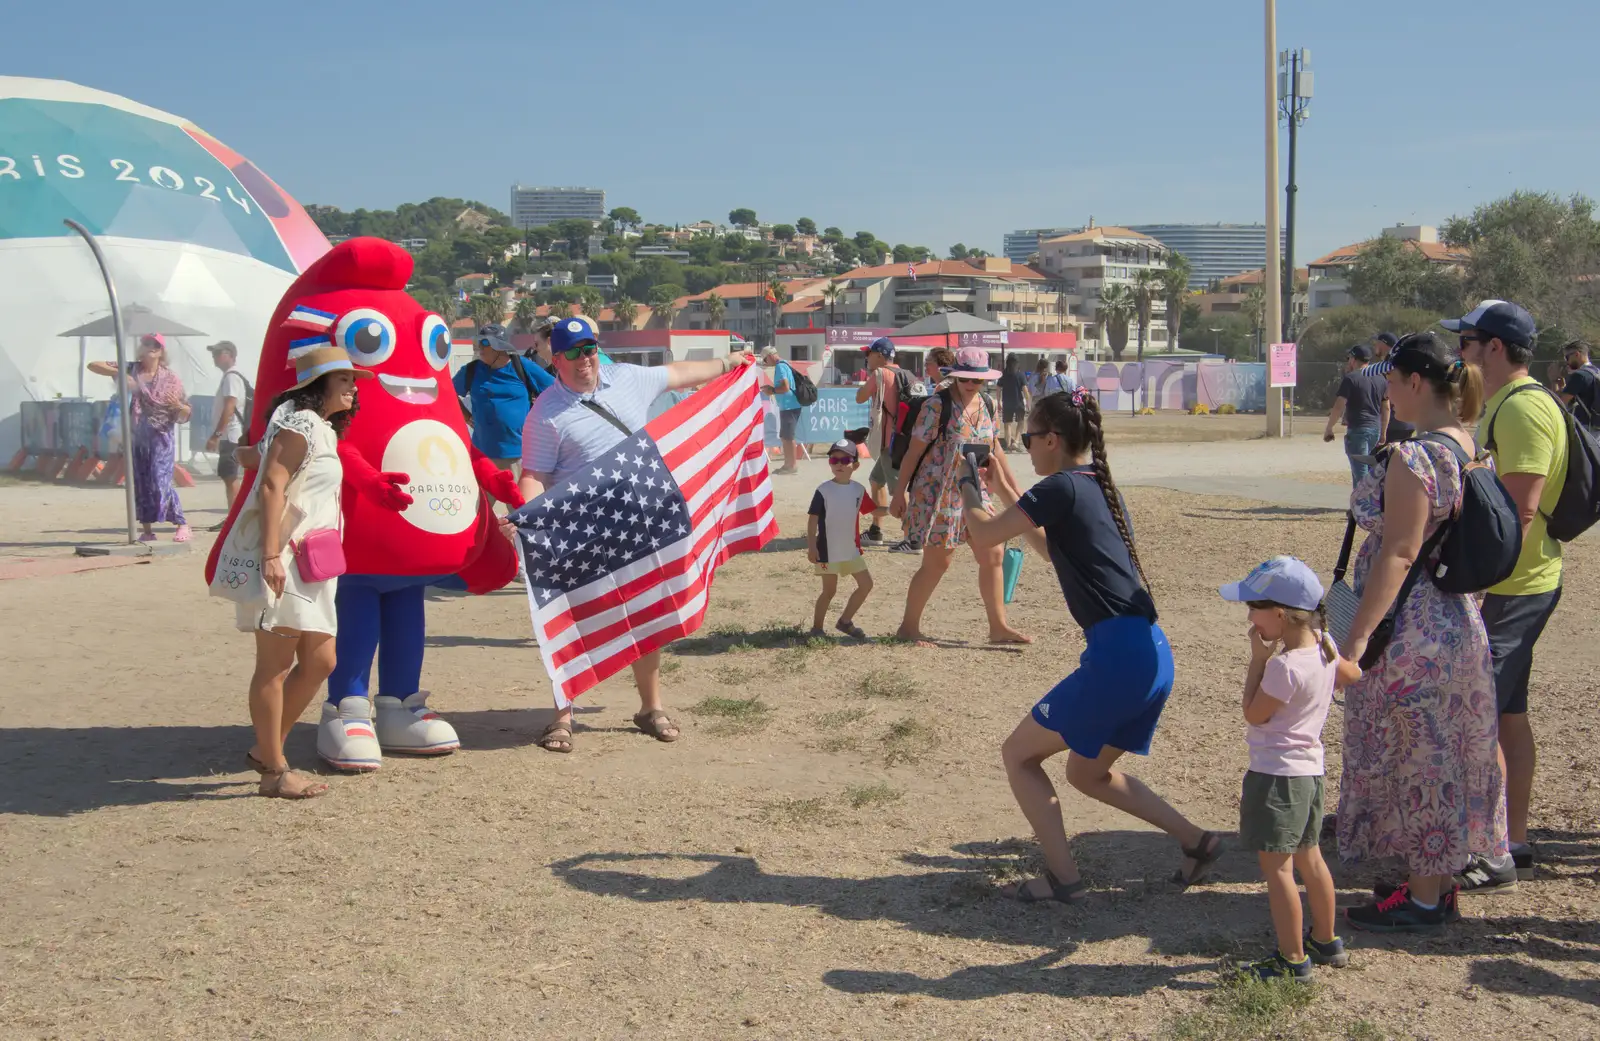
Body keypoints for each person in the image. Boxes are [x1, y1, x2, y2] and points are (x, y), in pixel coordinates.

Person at [956, 386, 1223, 902]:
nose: (1026, 446)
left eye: (1030, 437)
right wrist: (1009, 493)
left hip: (1119, 656)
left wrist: (968, 485)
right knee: (1086, 772)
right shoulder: (1093, 484)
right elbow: (1055, 553)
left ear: (1052, 440)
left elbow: (983, 537)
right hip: (1150, 650)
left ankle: (1063, 879)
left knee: (1018, 756)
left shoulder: (1059, 490)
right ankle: (1197, 841)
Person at [518, 316, 756, 753]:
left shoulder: (625, 377)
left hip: (639, 519)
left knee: (647, 611)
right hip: (580, 526)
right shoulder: (546, 414)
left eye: (589, 347)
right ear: (556, 358)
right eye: (572, 351)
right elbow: (533, 473)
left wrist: (730, 362)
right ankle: (563, 716)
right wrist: (528, 515)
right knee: (572, 620)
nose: (584, 358)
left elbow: (681, 373)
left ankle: (650, 707)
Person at [1337, 331, 1505, 931]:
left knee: (1418, 758)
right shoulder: (1466, 445)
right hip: (1456, 623)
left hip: (1414, 631)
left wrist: (1356, 639)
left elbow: (1398, 554)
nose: (1383, 387)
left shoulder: (1414, 456)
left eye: (1390, 378)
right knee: (1441, 755)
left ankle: (1425, 902)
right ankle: (1433, 885)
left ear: (1414, 382)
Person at [1451, 300, 1567, 890]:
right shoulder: (1508, 402)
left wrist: (1477, 584)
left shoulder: (1523, 410)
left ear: (1494, 347)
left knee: (1482, 715)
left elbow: (1519, 510)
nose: (1459, 352)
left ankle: (1491, 849)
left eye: (1467, 341)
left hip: (1514, 586)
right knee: (1508, 714)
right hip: (1514, 584)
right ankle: (1512, 839)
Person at [229, 343, 366, 798]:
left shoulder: (313, 427)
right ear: (319, 383)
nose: (353, 385)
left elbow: (258, 460)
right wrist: (270, 554)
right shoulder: (302, 422)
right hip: (287, 559)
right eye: (344, 378)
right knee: (274, 666)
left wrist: (248, 451)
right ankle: (274, 770)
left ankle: (264, 750)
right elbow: (272, 482)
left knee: (321, 661)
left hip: (313, 564)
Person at [1218, 557, 1345, 981]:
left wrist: (1258, 660)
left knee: (1279, 871)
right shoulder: (1325, 646)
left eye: (1253, 608)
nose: (1250, 619)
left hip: (1276, 778)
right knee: (1311, 860)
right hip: (1310, 775)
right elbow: (1350, 673)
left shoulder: (1283, 667)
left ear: (1280, 614)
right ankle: (1326, 941)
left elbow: (1254, 714)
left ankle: (1292, 960)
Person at [889, 346, 1030, 646]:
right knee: (938, 563)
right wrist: (899, 493)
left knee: (993, 553)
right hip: (940, 493)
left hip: (976, 490)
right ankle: (908, 627)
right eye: (965, 378)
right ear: (955, 375)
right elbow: (914, 452)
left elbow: (996, 448)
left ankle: (998, 627)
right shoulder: (936, 405)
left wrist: (1013, 487)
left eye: (977, 380)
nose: (970, 384)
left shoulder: (988, 404)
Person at [88, 333, 192, 543]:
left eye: (156, 345)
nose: (151, 347)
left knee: (159, 480)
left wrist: (179, 406)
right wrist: (119, 373)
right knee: (141, 481)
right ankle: (147, 530)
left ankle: (182, 524)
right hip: (138, 434)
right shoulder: (131, 368)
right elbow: (93, 365)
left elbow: (186, 411)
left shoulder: (171, 378)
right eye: (147, 344)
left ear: (162, 351)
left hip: (161, 435)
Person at [453, 323, 552, 469]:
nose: (480, 346)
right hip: (481, 456)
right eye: (479, 341)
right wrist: (467, 417)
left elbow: (557, 392)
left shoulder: (523, 367)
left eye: (485, 342)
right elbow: (449, 392)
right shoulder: (471, 370)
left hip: (520, 456)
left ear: (500, 347)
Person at [807, 438, 876, 638]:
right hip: (827, 551)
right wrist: (812, 546)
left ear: (855, 465)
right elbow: (812, 520)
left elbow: (873, 510)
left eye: (844, 460)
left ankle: (845, 621)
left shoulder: (858, 490)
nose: (838, 464)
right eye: (833, 459)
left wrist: (899, 510)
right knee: (829, 592)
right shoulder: (823, 490)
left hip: (850, 550)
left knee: (866, 585)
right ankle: (817, 629)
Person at [854, 337, 908, 545]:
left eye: (868, 354)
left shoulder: (879, 374)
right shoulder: (906, 374)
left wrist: (870, 380)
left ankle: (911, 538)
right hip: (902, 441)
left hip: (890, 443)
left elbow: (860, 397)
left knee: (898, 490)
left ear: (879, 356)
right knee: (876, 481)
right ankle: (876, 530)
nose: (866, 358)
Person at [1322, 345, 1389, 486]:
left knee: (1361, 471)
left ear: (1353, 359)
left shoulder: (1351, 378)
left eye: (1349, 359)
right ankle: (1357, 505)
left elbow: (1339, 406)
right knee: (1361, 467)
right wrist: (1383, 432)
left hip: (1359, 429)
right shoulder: (1381, 379)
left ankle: (1364, 505)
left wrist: (1329, 428)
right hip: (1374, 430)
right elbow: (1386, 408)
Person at [204, 340, 250, 513]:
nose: (214, 357)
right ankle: (233, 514)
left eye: (218, 353)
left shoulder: (232, 377)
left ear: (230, 355)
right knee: (228, 476)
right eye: (214, 354)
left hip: (230, 435)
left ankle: (234, 515)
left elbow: (230, 407)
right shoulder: (230, 376)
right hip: (231, 434)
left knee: (230, 477)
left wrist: (216, 435)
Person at [761, 347, 802, 475]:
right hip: (789, 405)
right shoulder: (784, 365)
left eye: (765, 360)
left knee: (788, 437)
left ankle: (791, 465)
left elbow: (785, 387)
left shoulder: (780, 367)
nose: (766, 363)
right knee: (785, 437)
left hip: (789, 405)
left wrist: (772, 390)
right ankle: (788, 464)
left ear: (769, 356)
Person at [1370, 332, 1414, 443]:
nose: (1374, 345)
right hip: (1407, 423)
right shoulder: (1403, 363)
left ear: (1383, 344)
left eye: (1377, 343)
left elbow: (1385, 399)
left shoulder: (1388, 366)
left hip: (1393, 424)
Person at [1559, 340, 1600, 428]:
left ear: (1577, 354)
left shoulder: (1579, 376)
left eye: (1567, 357)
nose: (1567, 362)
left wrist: (1553, 381)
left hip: (1585, 429)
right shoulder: (1597, 372)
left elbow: (1561, 403)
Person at [998, 353, 1028, 451]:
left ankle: (1008, 443)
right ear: (1016, 363)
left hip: (1006, 402)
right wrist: (1028, 402)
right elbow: (1025, 390)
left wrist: (998, 401)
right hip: (1018, 402)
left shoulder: (1003, 374)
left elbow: (998, 388)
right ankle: (1016, 441)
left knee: (1007, 424)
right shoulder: (1020, 375)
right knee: (1021, 422)